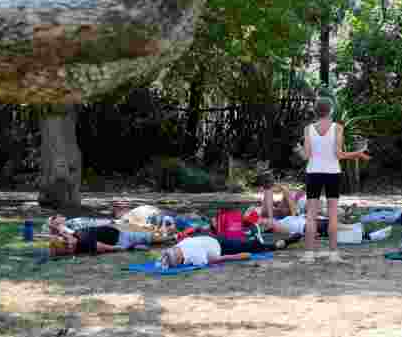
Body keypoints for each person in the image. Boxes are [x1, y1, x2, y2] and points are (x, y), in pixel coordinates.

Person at [300, 97, 371, 264]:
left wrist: (300, 150)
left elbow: (306, 155)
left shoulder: (308, 129)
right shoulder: (338, 128)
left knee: (311, 215)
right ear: (331, 110)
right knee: (332, 214)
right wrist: (358, 154)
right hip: (332, 173)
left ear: (315, 111)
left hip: (313, 172)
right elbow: (339, 155)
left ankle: (309, 254)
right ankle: (333, 254)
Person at [159, 234, 299, 269]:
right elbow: (216, 259)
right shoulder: (179, 246)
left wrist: (236, 257)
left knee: (252, 246)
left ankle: (277, 245)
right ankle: (274, 244)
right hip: (214, 240)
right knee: (249, 245)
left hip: (221, 246)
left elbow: (217, 259)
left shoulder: (194, 255)